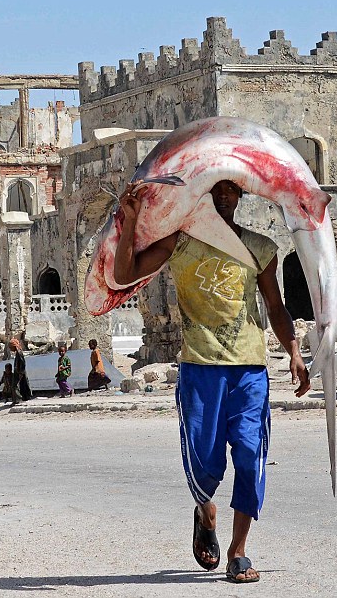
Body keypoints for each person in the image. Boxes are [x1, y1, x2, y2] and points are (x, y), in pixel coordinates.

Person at [113, 179, 310, 584]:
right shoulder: (180, 242)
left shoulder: (259, 248)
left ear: (241, 195)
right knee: (204, 464)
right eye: (216, 189)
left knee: (251, 457)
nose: (223, 196)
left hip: (249, 367)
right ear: (203, 195)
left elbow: (275, 306)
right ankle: (205, 509)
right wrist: (130, 220)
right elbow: (124, 273)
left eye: (231, 189)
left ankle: (238, 552)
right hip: (200, 367)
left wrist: (293, 349)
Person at [9, 339, 32, 403]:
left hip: (20, 372)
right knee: (22, 385)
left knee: (15, 386)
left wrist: (21, 372)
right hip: (19, 371)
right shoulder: (18, 353)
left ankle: (18, 399)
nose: (10, 349)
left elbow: (22, 362)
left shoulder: (19, 352)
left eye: (11, 347)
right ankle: (24, 397)